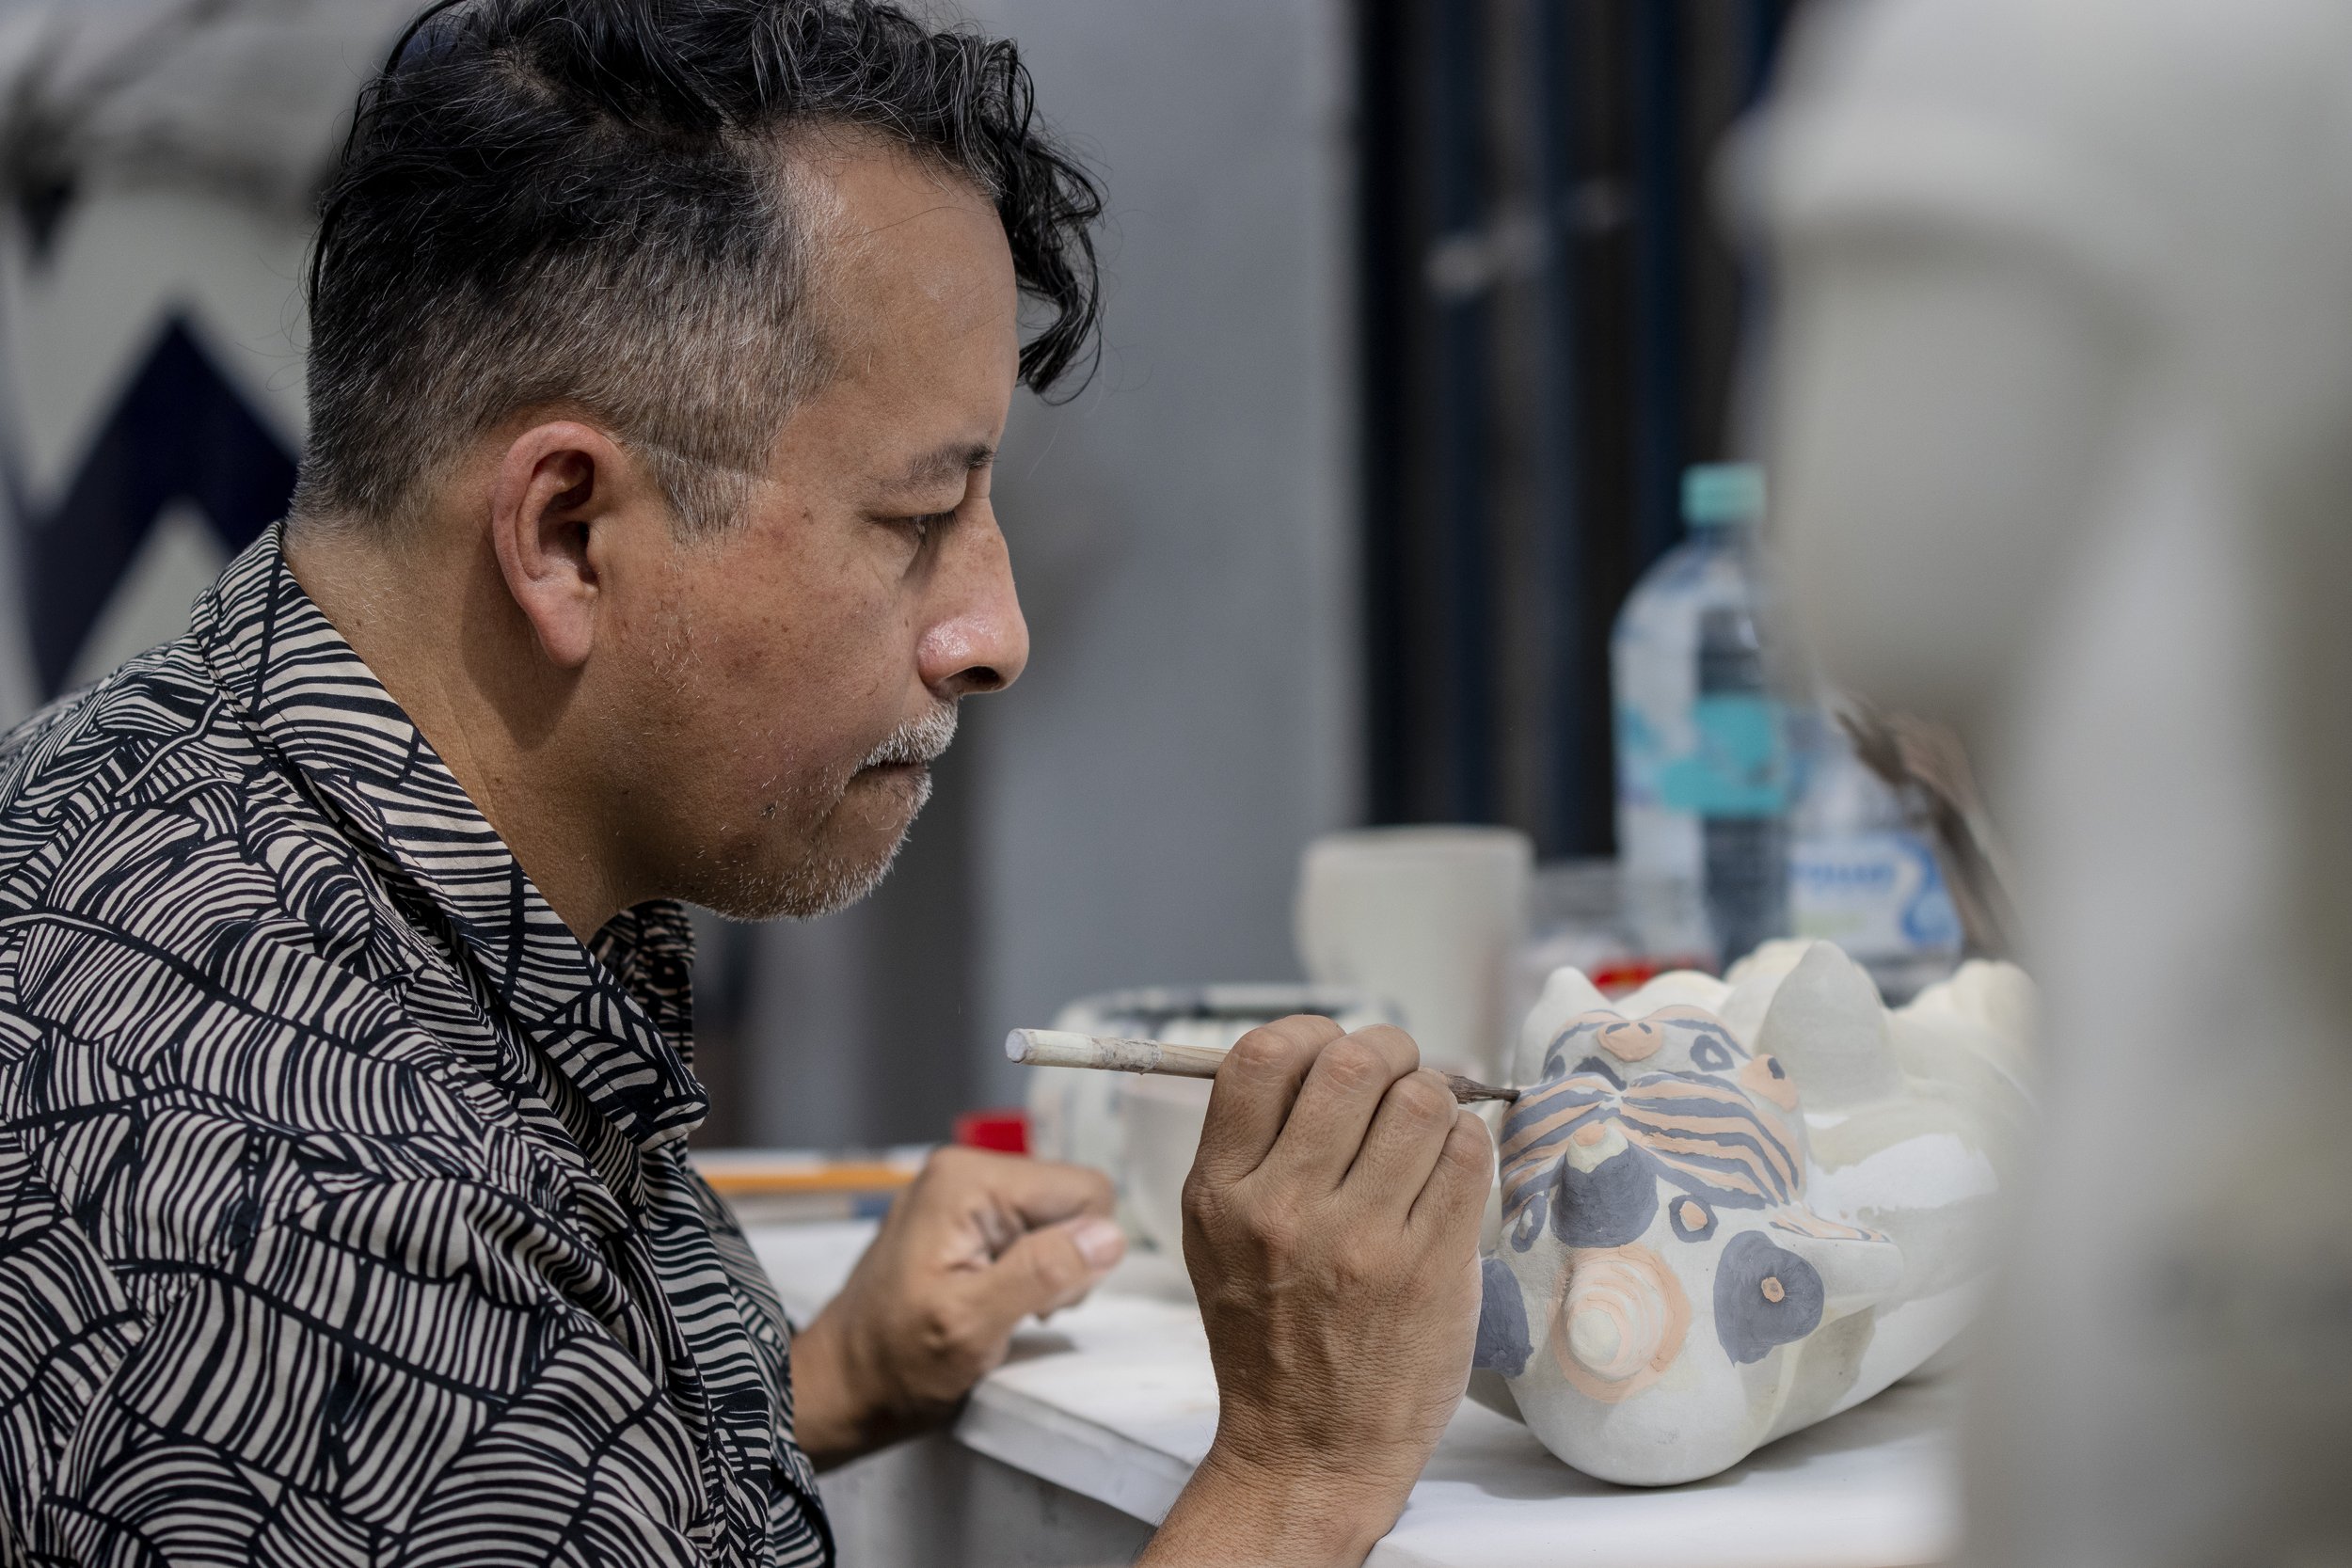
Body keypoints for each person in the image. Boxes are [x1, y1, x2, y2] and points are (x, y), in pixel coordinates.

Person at [0, 1, 1492, 1563]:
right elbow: (420, 1400)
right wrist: (1299, 1472)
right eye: (919, 520)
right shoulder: (326, 1214)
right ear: (568, 531)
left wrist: (818, 1383)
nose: (995, 637)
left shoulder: (162, 793)